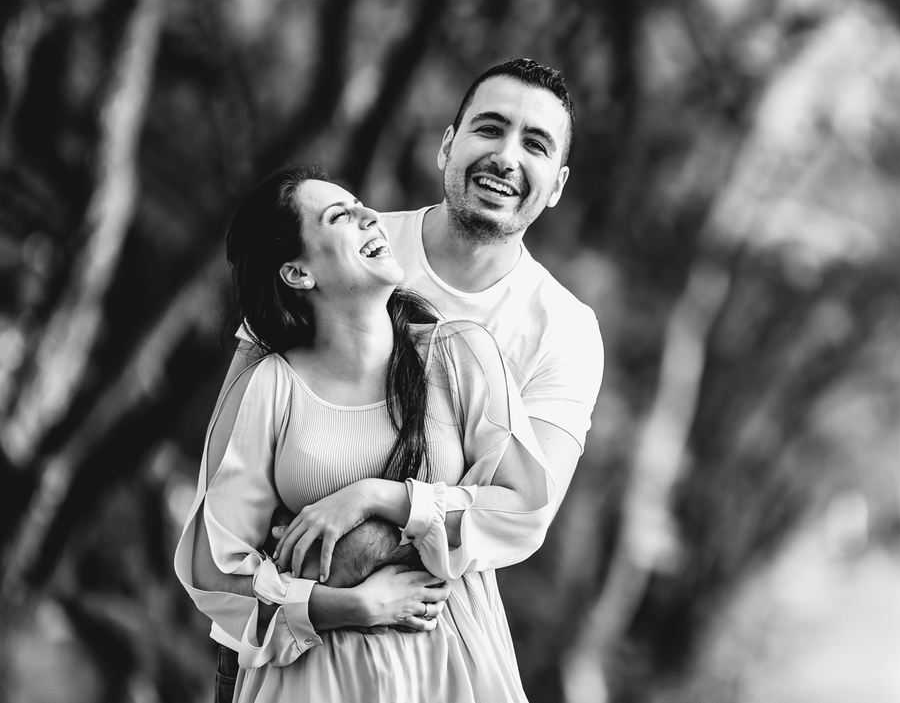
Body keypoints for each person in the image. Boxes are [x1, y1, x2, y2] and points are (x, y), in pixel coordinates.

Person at [203, 58, 604, 699]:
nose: (505, 156)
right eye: (489, 129)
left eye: (534, 144)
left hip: (439, 654)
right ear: (448, 143)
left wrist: (377, 499)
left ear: (555, 185)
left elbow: (525, 513)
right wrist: (275, 622)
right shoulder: (349, 253)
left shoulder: (563, 330)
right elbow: (227, 478)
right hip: (286, 649)